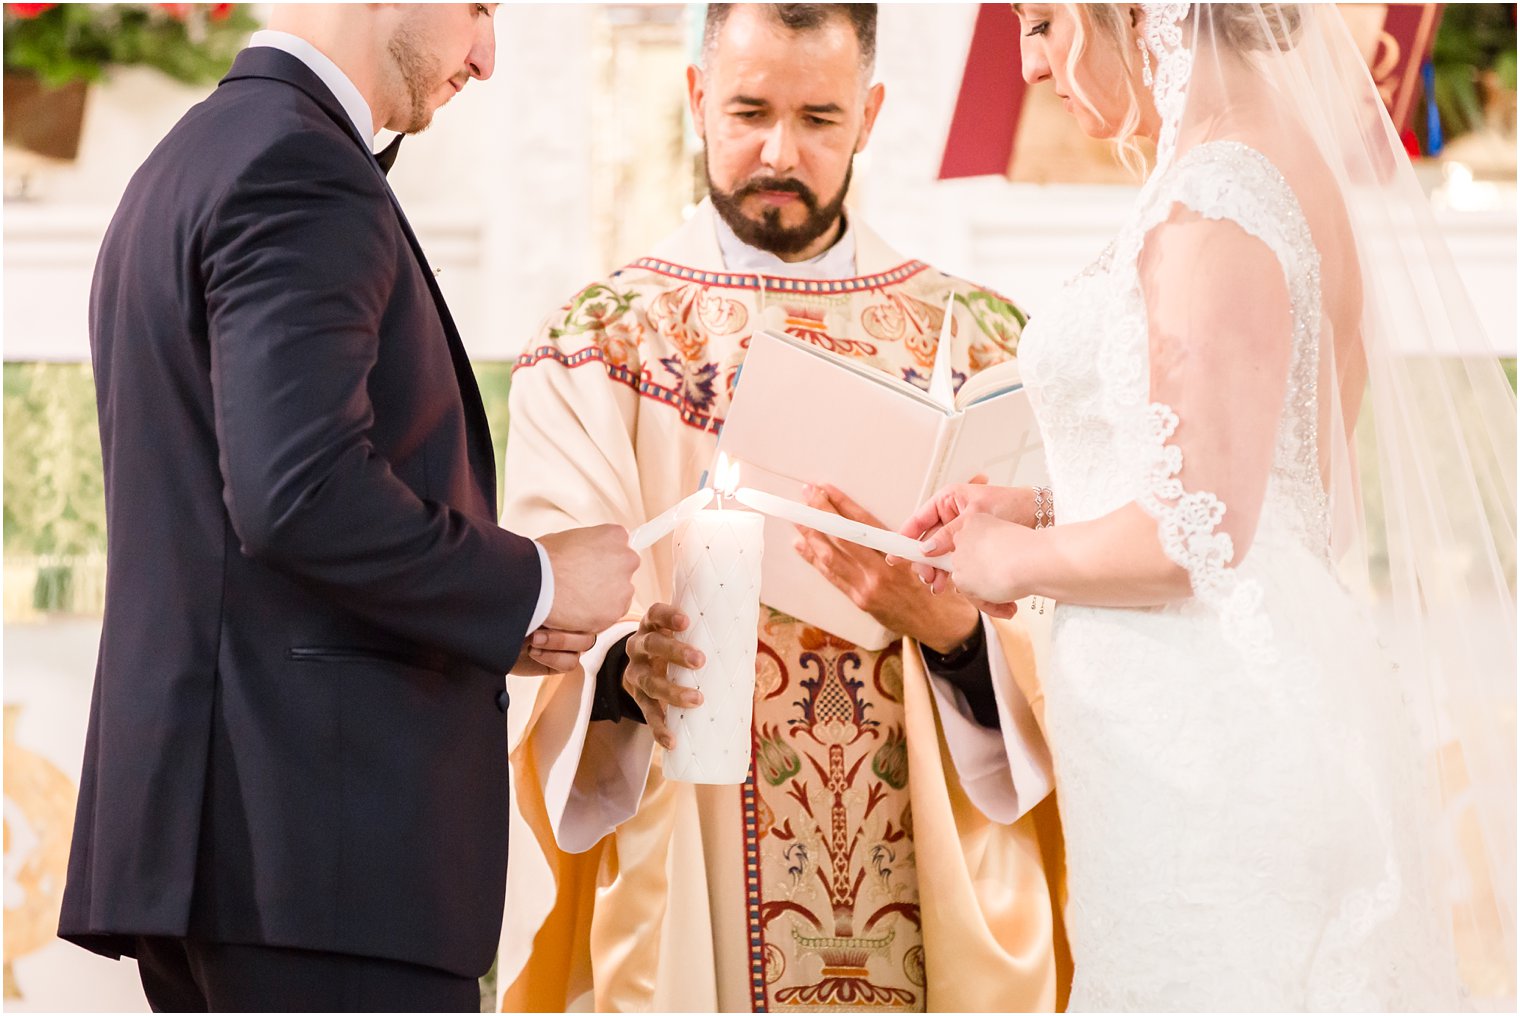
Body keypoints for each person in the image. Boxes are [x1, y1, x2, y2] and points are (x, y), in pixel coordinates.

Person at [903, 3, 1516, 1009]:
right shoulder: (1262, 169)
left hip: (1202, 740)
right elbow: (1273, 481)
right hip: (1215, 706)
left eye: (1046, 21)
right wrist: (1049, 504)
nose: (1025, 63)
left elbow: (1198, 536)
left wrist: (1007, 558)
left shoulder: (1215, 198)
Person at [58, 5, 639, 1010]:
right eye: (478, 9)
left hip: (231, 845)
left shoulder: (192, 158)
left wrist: (483, 627)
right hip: (322, 851)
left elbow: (242, 535)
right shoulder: (300, 168)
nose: (487, 57)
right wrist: (537, 581)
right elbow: (298, 495)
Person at [498, 4, 1069, 1011]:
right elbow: (552, 607)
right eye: (748, 111)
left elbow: (1065, 636)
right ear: (694, 99)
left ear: (870, 114)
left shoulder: (978, 339)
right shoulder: (601, 344)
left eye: (818, 118)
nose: (778, 151)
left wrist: (953, 636)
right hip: (698, 855)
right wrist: (624, 669)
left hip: (929, 867)